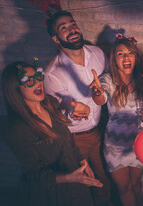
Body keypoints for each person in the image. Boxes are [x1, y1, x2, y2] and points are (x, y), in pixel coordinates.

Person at [2, 59, 103, 206]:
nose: (37, 82)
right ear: (15, 89)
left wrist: (82, 161)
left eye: (37, 76)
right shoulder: (17, 128)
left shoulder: (50, 103)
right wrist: (69, 178)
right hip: (49, 193)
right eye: (28, 81)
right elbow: (34, 173)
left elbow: (68, 139)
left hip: (74, 181)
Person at [44, 10, 111, 205]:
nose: (71, 29)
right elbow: (57, 117)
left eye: (72, 24)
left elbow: (107, 83)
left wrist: (103, 92)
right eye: (63, 28)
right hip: (73, 140)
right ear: (56, 39)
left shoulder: (97, 53)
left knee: (103, 182)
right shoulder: (52, 74)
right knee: (80, 187)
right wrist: (76, 113)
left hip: (98, 132)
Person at [90, 34, 143, 206]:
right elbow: (100, 97)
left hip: (140, 144)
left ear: (135, 57)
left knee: (135, 183)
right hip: (115, 148)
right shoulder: (108, 80)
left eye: (130, 53)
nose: (126, 57)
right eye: (120, 54)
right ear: (114, 58)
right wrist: (97, 93)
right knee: (124, 188)